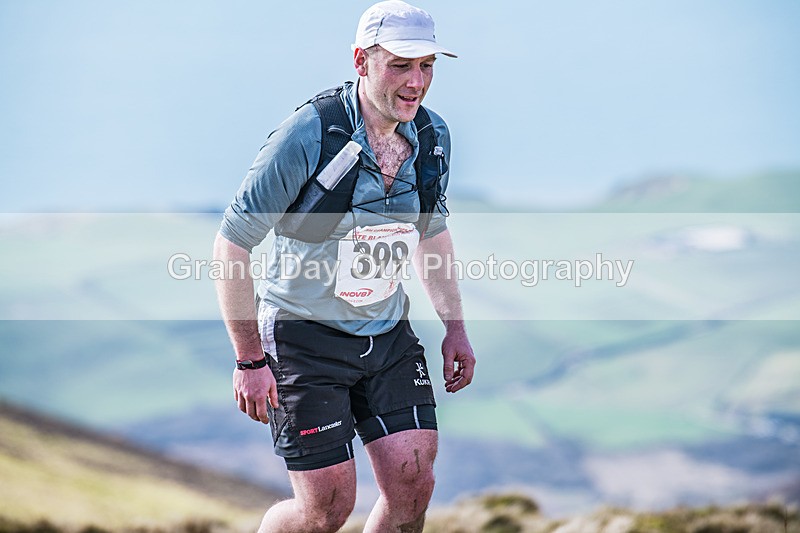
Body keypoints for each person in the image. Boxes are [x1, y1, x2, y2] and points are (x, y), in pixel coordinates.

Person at [213, 1, 475, 531]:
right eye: (400, 65)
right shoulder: (310, 133)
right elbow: (233, 244)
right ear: (361, 60)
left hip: (387, 334)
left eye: (426, 66)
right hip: (302, 337)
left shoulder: (432, 137)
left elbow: (432, 233)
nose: (415, 82)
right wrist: (248, 359)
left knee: (413, 483)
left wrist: (456, 328)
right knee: (326, 509)